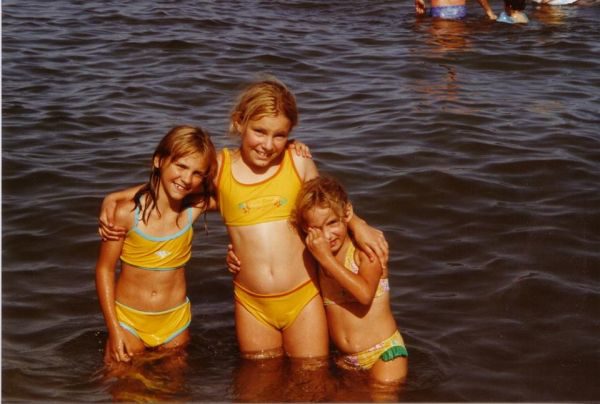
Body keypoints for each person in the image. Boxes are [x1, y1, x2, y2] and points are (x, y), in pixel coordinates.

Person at [99, 77, 388, 361]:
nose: (268, 144)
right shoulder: (221, 167)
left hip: (303, 296)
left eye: (279, 135)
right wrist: (117, 196)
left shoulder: (297, 161)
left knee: (310, 375)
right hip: (252, 304)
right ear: (239, 122)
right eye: (259, 131)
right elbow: (178, 185)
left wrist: (357, 224)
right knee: (258, 378)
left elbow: (327, 204)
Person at [95, 125, 218, 366]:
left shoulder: (193, 209)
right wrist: (114, 329)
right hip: (129, 321)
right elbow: (104, 270)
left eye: (197, 173)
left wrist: (114, 195)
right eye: (181, 166)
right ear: (159, 160)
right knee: (123, 384)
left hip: (175, 322)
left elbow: (237, 187)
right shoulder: (126, 214)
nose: (186, 179)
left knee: (173, 386)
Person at [291, 176, 408, 384]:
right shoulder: (317, 256)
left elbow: (364, 295)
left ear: (347, 214)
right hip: (346, 360)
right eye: (316, 229)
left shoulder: (364, 252)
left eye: (332, 223)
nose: (327, 235)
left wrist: (327, 260)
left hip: (384, 353)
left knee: (382, 395)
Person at [416, 0, 497, 20]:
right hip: (458, 10)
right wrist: (489, 12)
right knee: (460, 43)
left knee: (437, 45)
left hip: (439, 10)